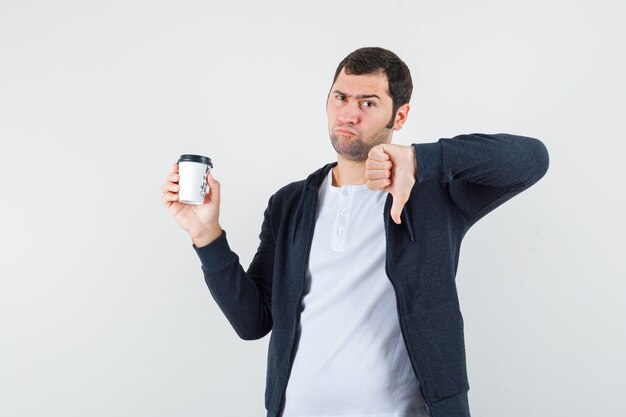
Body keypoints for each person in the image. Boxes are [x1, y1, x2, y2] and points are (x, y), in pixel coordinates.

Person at [161, 47, 549, 417]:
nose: (348, 114)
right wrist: (206, 234)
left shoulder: (433, 195)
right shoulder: (289, 204)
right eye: (340, 97)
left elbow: (531, 159)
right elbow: (253, 322)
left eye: (367, 102)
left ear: (399, 117)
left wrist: (418, 159)